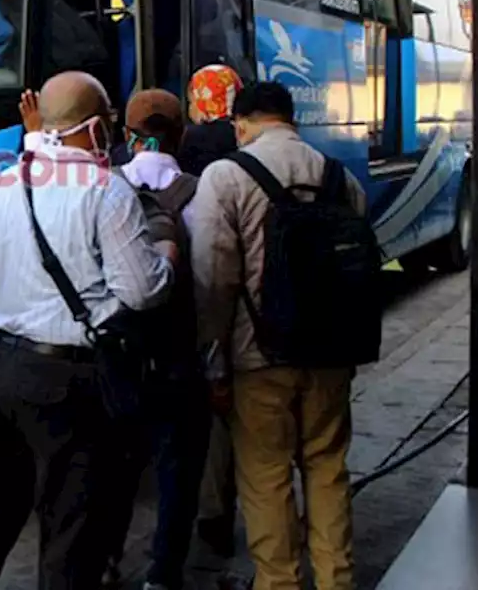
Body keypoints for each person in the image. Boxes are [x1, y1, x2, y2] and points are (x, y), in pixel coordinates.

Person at [0, 71, 176, 590]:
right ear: (93, 127)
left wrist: (15, 291)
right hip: (64, 377)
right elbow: (142, 290)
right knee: (72, 517)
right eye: (108, 121)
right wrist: (167, 258)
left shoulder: (4, 181)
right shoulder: (105, 190)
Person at [187, 82, 365, 590]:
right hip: (330, 351)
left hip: (257, 358)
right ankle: (336, 580)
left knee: (265, 478)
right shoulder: (338, 176)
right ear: (292, 119)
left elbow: (213, 278)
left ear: (239, 124)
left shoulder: (226, 177)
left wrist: (214, 361)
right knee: (327, 468)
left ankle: (279, 582)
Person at [101, 90, 211, 590]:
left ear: (125, 134)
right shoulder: (201, 192)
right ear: (181, 134)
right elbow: (216, 278)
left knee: (114, 467)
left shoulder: (105, 190)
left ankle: (105, 561)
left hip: (119, 356)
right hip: (181, 357)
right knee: (179, 471)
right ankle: (163, 574)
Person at [178, 63, 245, 557]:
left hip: (209, 303)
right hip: (256, 311)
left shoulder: (189, 144)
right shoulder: (241, 146)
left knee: (215, 424)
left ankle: (213, 517)